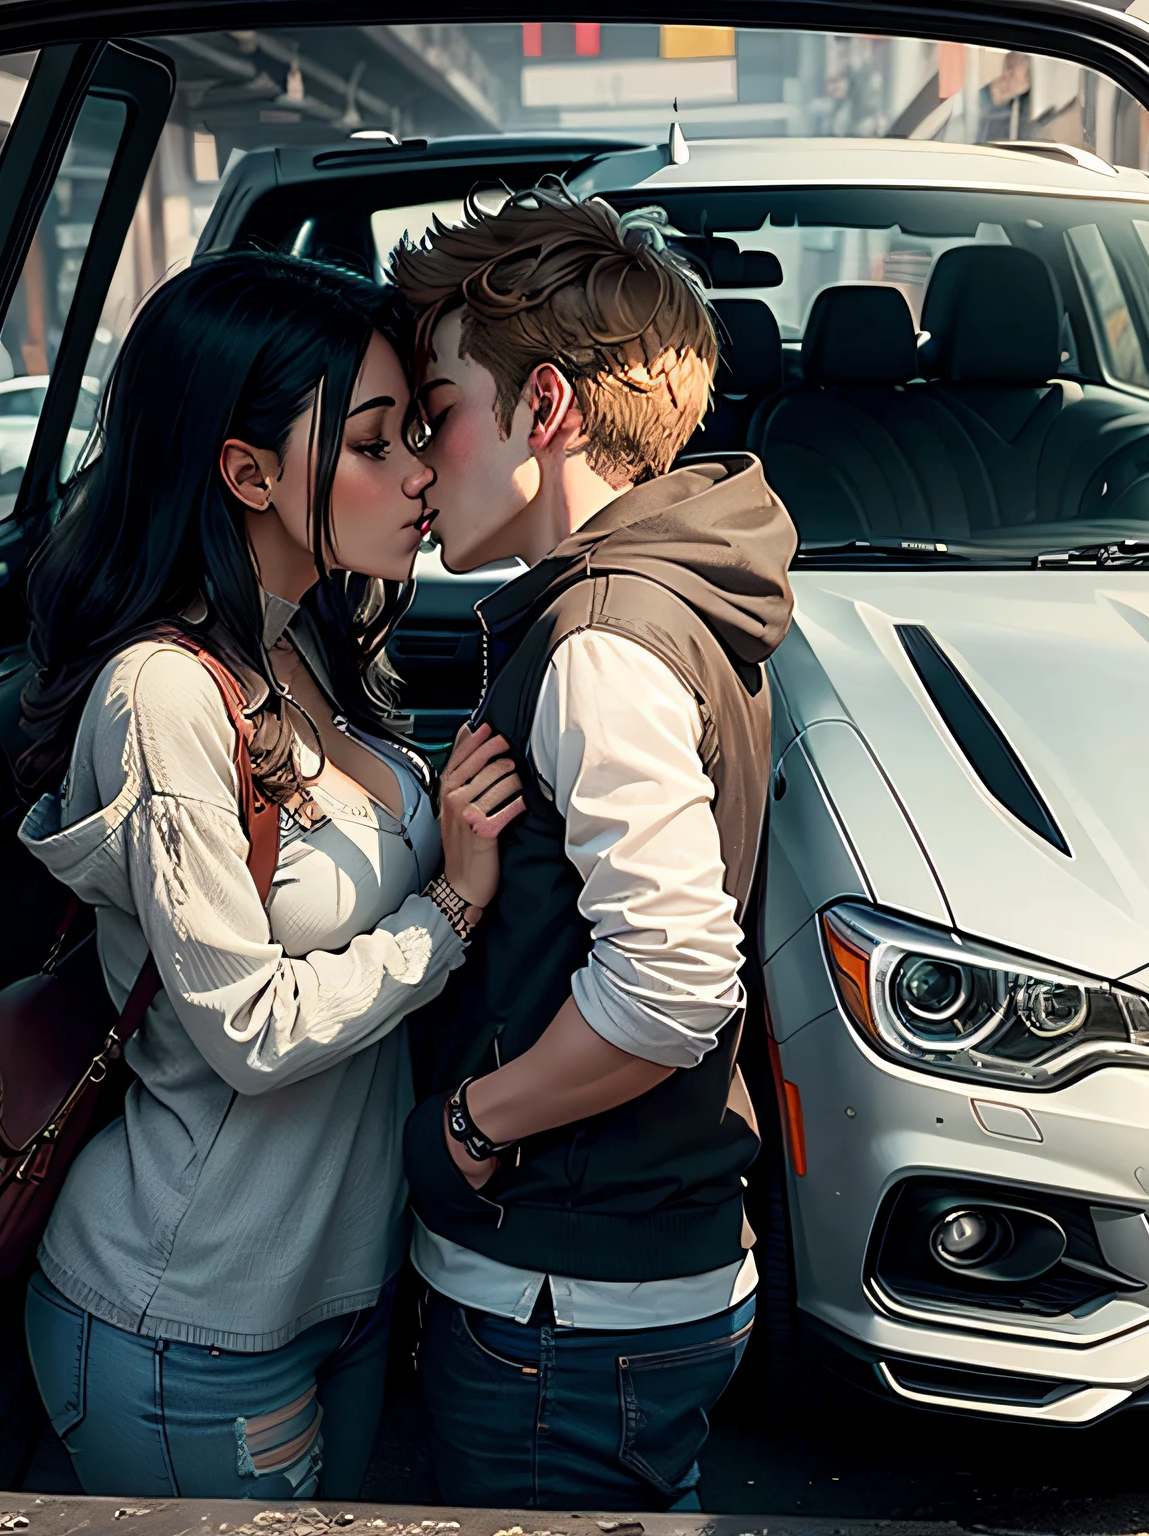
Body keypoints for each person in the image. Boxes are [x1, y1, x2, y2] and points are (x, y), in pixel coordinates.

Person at [14, 251, 524, 1500]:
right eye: (370, 444)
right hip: (186, 1314)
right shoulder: (163, 696)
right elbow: (247, 1026)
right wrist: (450, 907)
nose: (418, 473)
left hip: (339, 1290)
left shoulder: (304, 646)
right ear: (245, 472)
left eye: (414, 431)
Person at [391, 184, 797, 1510]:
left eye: (439, 414)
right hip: (626, 1274)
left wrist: (467, 1126)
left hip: (567, 1298)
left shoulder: (604, 641)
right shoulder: (669, 591)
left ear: (547, 408)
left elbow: (675, 986)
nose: (419, 457)